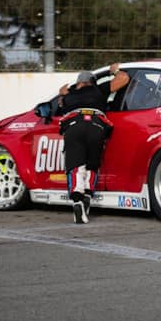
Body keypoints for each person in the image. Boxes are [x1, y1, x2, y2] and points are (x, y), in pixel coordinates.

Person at [55, 63, 130, 224]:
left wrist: (62, 93)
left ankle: (77, 200)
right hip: (96, 125)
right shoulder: (99, 89)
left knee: (75, 166)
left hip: (73, 125)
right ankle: (88, 195)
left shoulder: (68, 96)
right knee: (92, 165)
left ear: (79, 83)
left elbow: (59, 104)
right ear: (92, 82)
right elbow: (123, 79)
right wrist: (115, 71)